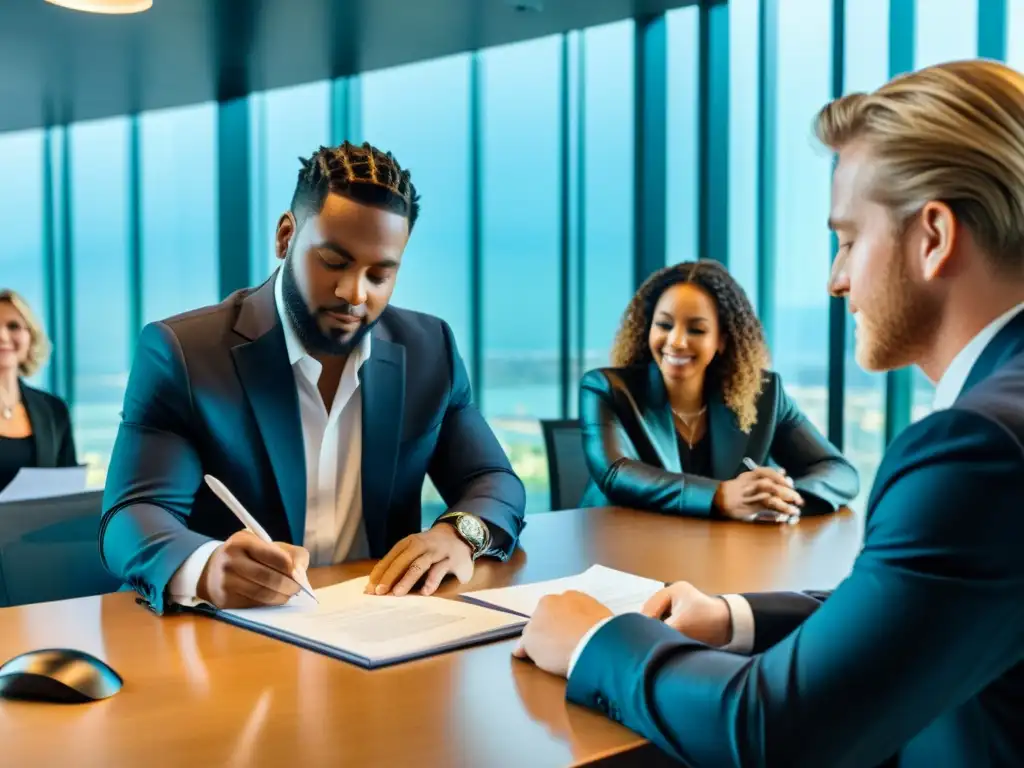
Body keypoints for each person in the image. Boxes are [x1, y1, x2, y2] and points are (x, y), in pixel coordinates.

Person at [514, 59, 1024, 767]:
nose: (836, 279)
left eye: (848, 240)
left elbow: (771, 730)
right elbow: (909, 609)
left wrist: (593, 644)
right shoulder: (1000, 426)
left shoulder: (977, 447)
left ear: (933, 237)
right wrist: (733, 616)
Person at [100, 141, 526, 614]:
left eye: (379, 275)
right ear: (286, 236)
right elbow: (129, 516)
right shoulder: (184, 354)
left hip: (379, 628)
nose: (353, 293)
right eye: (333, 262)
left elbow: (493, 479)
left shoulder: (430, 351)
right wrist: (204, 568)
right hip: (229, 639)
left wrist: (459, 534)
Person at [579, 260, 858, 522]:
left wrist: (777, 500)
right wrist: (721, 496)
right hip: (617, 550)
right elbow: (616, 473)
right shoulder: (606, 388)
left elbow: (840, 472)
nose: (676, 341)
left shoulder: (764, 396)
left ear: (721, 340)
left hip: (717, 555)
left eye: (696, 330)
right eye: (664, 325)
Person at [0, 289, 77, 492]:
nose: (2, 335)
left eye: (13, 326)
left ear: (31, 337)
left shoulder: (53, 410)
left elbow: (68, 494)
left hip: (43, 525)